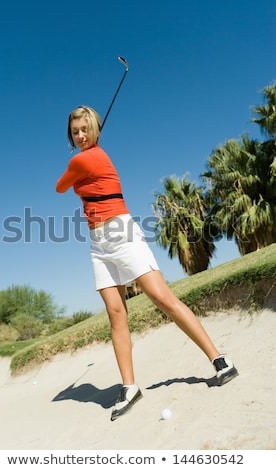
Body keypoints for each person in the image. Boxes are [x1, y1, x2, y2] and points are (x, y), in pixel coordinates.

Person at [56, 105, 238, 421]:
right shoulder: (86, 158)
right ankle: (129, 387)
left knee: (161, 297)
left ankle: (219, 358)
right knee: (115, 313)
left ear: (95, 129)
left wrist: (75, 172)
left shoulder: (83, 158)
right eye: (75, 132)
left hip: (120, 232)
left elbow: (60, 186)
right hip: (98, 243)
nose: (80, 135)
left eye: (85, 129)